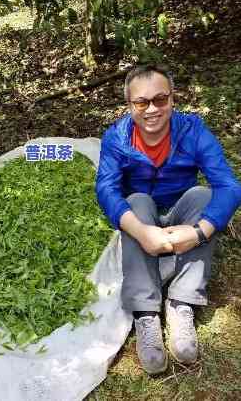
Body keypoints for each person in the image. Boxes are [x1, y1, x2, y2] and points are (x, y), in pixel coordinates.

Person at [95, 65, 241, 374]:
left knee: (204, 196)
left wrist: (199, 233)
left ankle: (181, 303)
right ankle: (146, 311)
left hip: (181, 212)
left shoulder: (193, 131)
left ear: (173, 99)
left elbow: (228, 186)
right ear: (129, 105)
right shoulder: (117, 138)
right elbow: (106, 189)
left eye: (160, 99)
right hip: (144, 215)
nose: (152, 109)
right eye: (141, 102)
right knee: (134, 201)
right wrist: (141, 231)